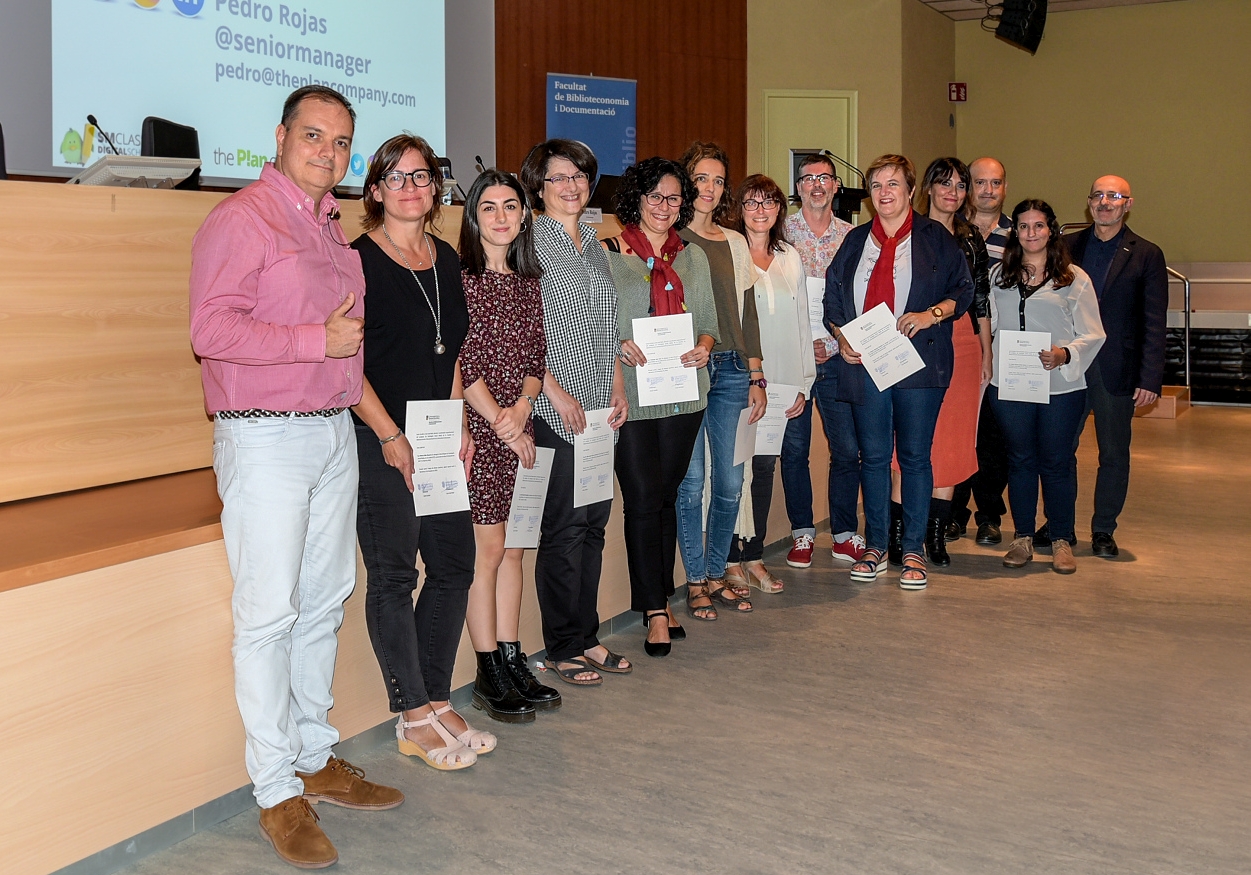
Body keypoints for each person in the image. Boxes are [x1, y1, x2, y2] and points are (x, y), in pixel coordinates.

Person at [189, 85, 402, 870]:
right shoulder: (241, 220)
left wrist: (370, 421)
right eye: (313, 136)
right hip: (265, 439)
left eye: (342, 141)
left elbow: (346, 349)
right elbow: (209, 329)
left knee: (324, 601)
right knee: (269, 614)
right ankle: (275, 789)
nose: (328, 152)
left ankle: (315, 754)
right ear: (279, 137)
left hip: (329, 434)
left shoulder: (330, 230)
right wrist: (316, 338)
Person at [350, 134, 492, 769]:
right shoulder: (354, 261)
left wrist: (458, 418)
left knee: (455, 562)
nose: (412, 187)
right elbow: (347, 366)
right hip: (379, 437)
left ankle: (436, 696)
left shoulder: (441, 254)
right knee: (395, 573)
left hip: (436, 434)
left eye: (423, 177)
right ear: (375, 188)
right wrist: (390, 435)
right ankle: (411, 714)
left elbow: (453, 349)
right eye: (397, 177)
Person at [825, 154, 974, 591]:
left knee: (913, 457)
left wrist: (931, 314)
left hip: (919, 365)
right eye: (876, 186)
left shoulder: (935, 238)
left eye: (893, 184)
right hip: (865, 363)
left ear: (911, 191)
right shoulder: (855, 241)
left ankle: (912, 548)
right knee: (871, 458)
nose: (884, 193)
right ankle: (876, 546)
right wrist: (840, 335)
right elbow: (833, 298)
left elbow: (962, 290)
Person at [519, 139, 631, 685]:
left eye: (580, 176)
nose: (572, 185)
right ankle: (562, 644)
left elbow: (607, 324)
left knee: (593, 524)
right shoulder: (528, 242)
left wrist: (615, 384)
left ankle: (586, 637)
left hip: (597, 407)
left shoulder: (593, 241)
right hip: (553, 407)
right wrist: (555, 392)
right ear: (539, 186)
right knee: (563, 528)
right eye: (559, 177)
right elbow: (526, 327)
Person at [457, 169, 562, 720]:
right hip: (482, 431)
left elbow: (535, 359)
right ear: (474, 217)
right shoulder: (461, 279)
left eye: (510, 207)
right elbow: (460, 358)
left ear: (524, 215)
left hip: (520, 429)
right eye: (490, 208)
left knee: (516, 549)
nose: (501, 217)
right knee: (488, 552)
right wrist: (499, 419)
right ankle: (486, 668)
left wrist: (521, 409)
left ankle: (512, 653)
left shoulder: (529, 279)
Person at [606, 157, 720, 656]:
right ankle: (653, 606)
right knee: (642, 498)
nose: (664, 206)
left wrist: (705, 346)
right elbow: (592, 315)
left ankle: (662, 598)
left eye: (674, 198)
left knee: (668, 496)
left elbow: (709, 320)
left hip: (682, 392)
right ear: (637, 199)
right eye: (655, 196)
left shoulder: (691, 255)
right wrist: (615, 343)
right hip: (630, 394)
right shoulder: (609, 253)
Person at [989, 199, 1106, 574]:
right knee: (1020, 460)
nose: (1031, 233)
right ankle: (1022, 537)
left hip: (1061, 388)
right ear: (1015, 232)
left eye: (1039, 226)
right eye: (1023, 226)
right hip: (1011, 385)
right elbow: (986, 326)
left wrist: (1065, 354)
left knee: (1056, 462)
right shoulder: (999, 277)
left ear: (1051, 230)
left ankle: (1060, 539)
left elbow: (1093, 333)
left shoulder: (1074, 278)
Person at [887, 158, 992, 568]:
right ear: (927, 188)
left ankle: (935, 535)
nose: (953, 191)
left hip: (962, 342)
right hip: (910, 339)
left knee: (951, 440)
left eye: (960, 185)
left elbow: (979, 299)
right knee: (909, 441)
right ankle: (899, 535)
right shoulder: (905, 230)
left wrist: (987, 353)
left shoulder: (970, 239)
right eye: (944, 183)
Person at [674, 141, 763, 617]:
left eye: (718, 180)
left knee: (730, 482)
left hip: (730, 370)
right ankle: (694, 581)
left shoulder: (735, 241)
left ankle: (715, 570)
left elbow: (747, 314)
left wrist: (757, 374)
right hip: (685, 371)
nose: (709, 188)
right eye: (701, 178)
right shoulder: (669, 239)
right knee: (691, 484)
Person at [1059, 176, 1168, 558]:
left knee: (1114, 454)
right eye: (1098, 195)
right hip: (1068, 365)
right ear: (1089, 203)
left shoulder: (1147, 254)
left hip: (1116, 368)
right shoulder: (1067, 247)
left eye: (1114, 196)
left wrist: (1150, 376)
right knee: (1059, 449)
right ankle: (1060, 527)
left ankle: (1104, 529)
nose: (1105, 202)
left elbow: (1154, 320)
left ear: (1128, 204)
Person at [727, 174, 814, 593]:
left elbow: (802, 323)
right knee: (734, 470)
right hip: (742, 380)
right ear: (739, 209)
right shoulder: (729, 252)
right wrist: (746, 376)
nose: (760, 210)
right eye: (751, 203)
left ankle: (754, 555)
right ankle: (728, 560)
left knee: (764, 469)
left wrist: (803, 383)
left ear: (780, 210)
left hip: (783, 384)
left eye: (769, 202)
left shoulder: (790, 256)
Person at [781, 153, 864, 568]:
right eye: (808, 178)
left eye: (824, 178)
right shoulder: (778, 234)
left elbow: (859, 301)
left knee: (847, 449)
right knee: (794, 449)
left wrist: (837, 340)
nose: (816, 185)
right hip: (792, 362)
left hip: (837, 359)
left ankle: (845, 533)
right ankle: (801, 533)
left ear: (836, 187)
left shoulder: (854, 237)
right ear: (798, 187)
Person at [950, 156, 1015, 546]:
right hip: (959, 346)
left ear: (1005, 187)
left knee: (994, 437)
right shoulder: (949, 231)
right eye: (980, 183)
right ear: (967, 187)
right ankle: (954, 512)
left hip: (1005, 350)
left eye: (996, 183)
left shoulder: (1021, 233)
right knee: (959, 431)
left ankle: (990, 515)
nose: (988, 190)